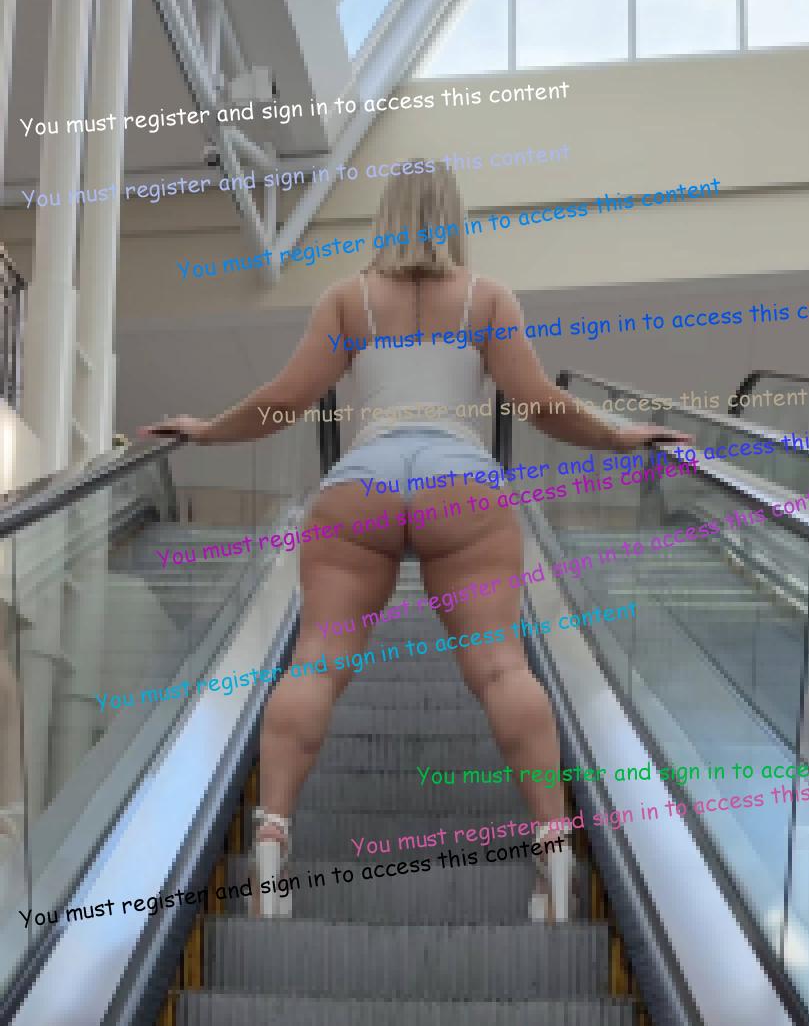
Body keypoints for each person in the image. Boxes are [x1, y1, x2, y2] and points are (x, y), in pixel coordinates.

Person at [141, 165, 692, 919]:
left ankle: (271, 840)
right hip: (459, 482)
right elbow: (539, 402)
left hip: (362, 481)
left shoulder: (347, 298)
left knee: (316, 662)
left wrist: (206, 431)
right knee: (502, 666)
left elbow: (284, 400)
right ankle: (553, 845)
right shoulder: (487, 298)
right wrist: (620, 436)